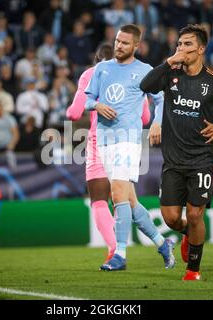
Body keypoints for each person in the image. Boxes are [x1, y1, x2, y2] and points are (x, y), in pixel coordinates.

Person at [140, 24, 213, 280]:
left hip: (202, 160)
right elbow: (145, 85)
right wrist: (168, 62)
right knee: (172, 219)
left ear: (201, 49)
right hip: (173, 161)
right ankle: (188, 234)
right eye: (179, 44)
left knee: (196, 214)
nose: (181, 48)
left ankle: (193, 271)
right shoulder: (170, 75)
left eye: (187, 44)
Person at [85, 24, 175, 271]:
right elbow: (87, 99)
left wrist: (157, 123)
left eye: (125, 43)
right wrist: (97, 106)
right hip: (104, 140)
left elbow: (161, 98)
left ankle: (120, 255)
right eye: (117, 41)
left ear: (136, 46)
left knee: (117, 195)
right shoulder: (102, 69)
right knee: (130, 200)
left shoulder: (144, 71)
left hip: (128, 139)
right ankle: (162, 243)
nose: (119, 46)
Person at [67, 43, 152, 262]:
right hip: (128, 141)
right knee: (125, 199)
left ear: (97, 59)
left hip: (100, 141)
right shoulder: (135, 75)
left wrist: (78, 106)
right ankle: (160, 242)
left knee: (99, 200)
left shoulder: (90, 74)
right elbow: (145, 119)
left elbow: (75, 114)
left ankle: (115, 249)